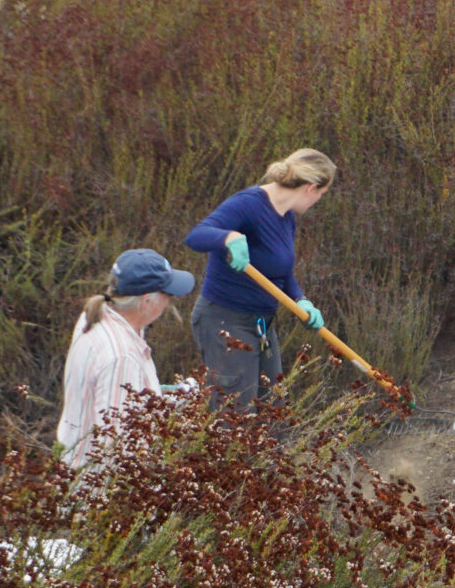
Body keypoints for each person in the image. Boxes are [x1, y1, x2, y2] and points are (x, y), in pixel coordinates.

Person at [183, 148, 338, 408]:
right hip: (225, 321)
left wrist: (301, 300)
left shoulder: (287, 217)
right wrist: (228, 238)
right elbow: (196, 235)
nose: (317, 202)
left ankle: (269, 451)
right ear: (311, 188)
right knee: (233, 413)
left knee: (272, 407)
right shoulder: (249, 204)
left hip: (261, 325)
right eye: (321, 195)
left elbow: (282, 272)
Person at [55, 248, 195, 468]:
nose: (170, 300)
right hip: (102, 492)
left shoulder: (94, 316)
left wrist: (173, 398)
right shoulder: (122, 359)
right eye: (167, 294)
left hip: (73, 471)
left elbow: (118, 404)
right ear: (146, 301)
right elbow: (118, 446)